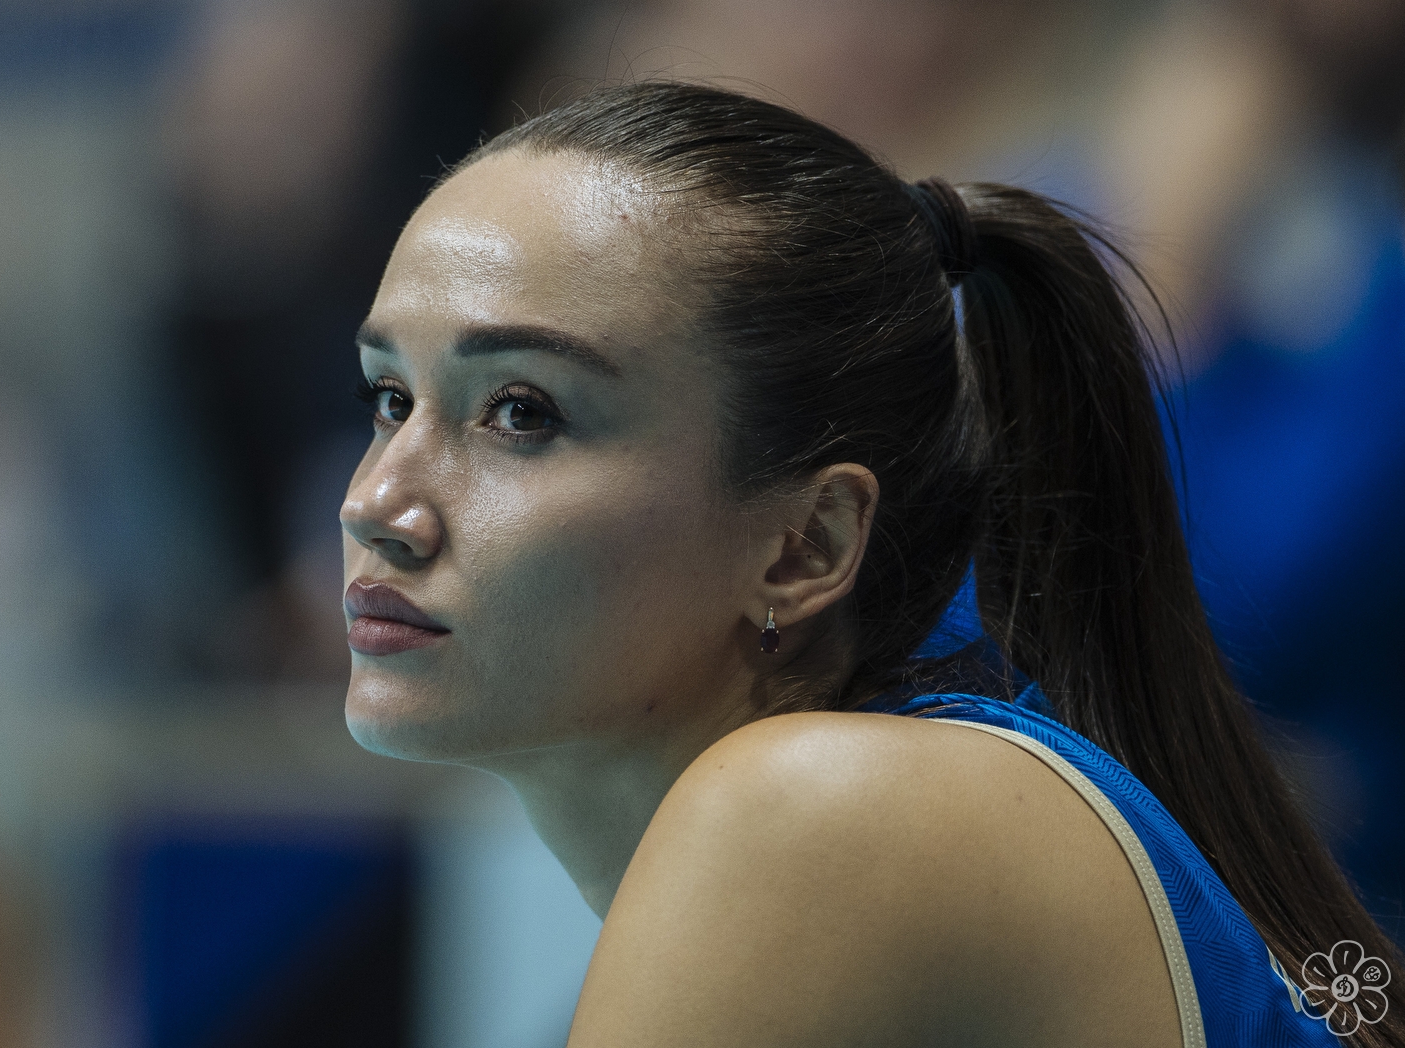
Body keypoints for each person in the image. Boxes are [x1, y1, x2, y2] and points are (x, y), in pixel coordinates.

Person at [337, 81, 1400, 1046]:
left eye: (521, 412)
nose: (376, 503)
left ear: (807, 545)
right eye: (390, 398)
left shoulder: (816, 812)